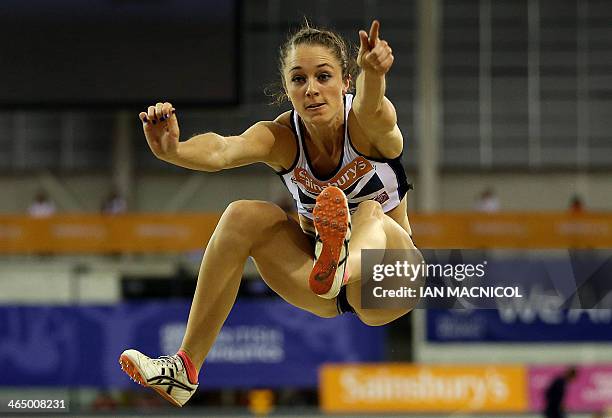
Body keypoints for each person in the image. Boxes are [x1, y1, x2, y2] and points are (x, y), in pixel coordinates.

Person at [119, 20, 422, 407]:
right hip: (320, 288)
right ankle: (185, 368)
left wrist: (374, 74)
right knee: (241, 215)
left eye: (323, 76)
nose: (311, 89)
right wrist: (174, 151)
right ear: (287, 90)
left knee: (368, 212)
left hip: (389, 280)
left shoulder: (367, 127)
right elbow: (223, 150)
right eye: (299, 80)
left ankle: (339, 265)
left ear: (346, 81)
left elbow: (374, 106)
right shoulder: (282, 138)